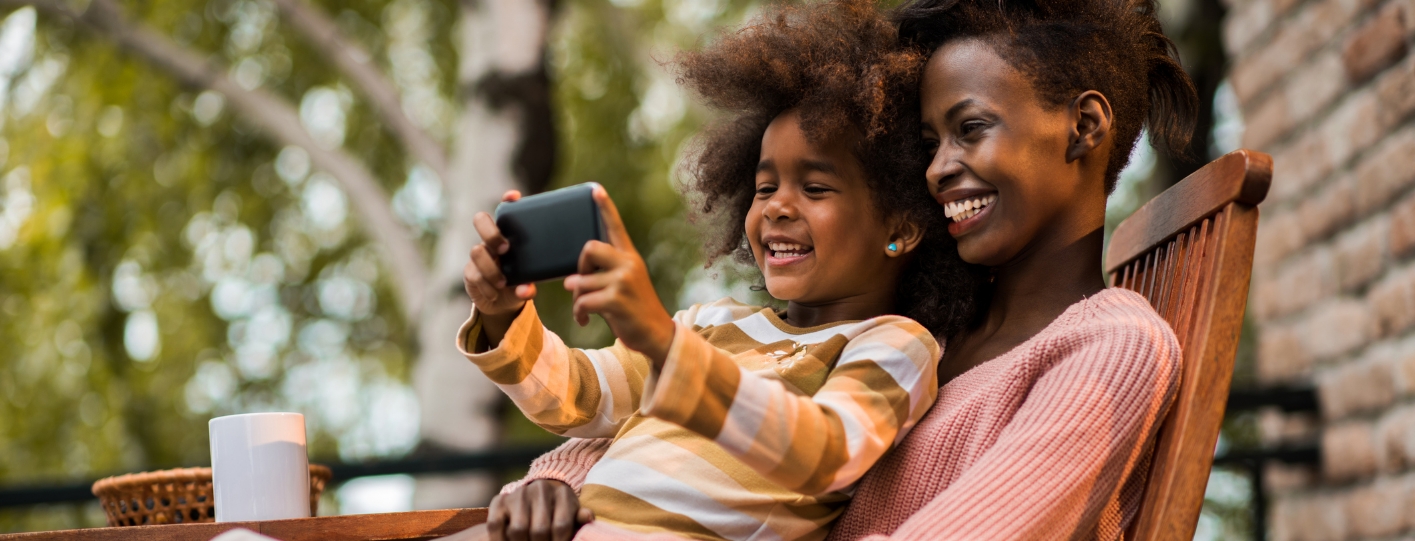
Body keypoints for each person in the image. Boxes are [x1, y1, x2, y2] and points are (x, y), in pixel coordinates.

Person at [476, 0, 1196, 538]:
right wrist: (558, 485)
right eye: (926, 141)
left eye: (969, 128)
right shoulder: (922, 325)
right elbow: (676, 429)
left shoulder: (1108, 348)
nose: (939, 167)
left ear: (1085, 126)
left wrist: (661, 348)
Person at [447, 2, 982, 540]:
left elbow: (825, 452)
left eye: (815, 188)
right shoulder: (709, 322)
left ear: (903, 227)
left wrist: (663, 342)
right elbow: (578, 397)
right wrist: (503, 314)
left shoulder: (894, 343)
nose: (776, 206)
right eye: (764, 187)